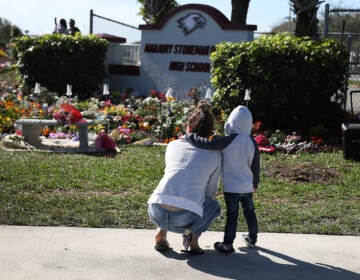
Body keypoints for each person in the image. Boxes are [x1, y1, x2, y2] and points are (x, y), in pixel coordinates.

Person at [147, 101, 222, 255]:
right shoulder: (215, 154)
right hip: (184, 218)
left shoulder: (173, 145)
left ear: (188, 126)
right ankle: (192, 239)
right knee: (213, 206)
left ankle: (161, 234)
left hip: (156, 210)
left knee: (172, 191)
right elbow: (210, 192)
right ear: (210, 131)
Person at [186, 105, 260, 254]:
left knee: (232, 216)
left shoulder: (229, 140)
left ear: (231, 122)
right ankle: (252, 238)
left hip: (231, 188)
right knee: (250, 212)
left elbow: (208, 144)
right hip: (247, 187)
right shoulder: (252, 142)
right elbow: (256, 165)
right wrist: (255, 183)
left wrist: (191, 137)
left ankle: (227, 244)